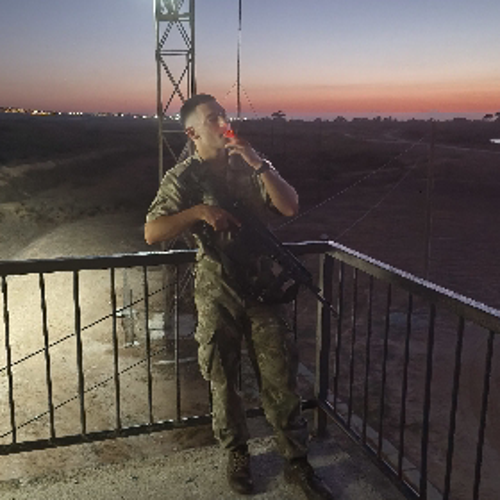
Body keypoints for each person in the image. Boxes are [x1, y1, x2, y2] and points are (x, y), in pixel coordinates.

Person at [144, 94, 334, 499]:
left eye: (224, 115)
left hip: (263, 288)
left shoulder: (249, 164)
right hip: (218, 290)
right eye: (213, 118)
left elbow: (289, 206)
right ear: (192, 133)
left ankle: (296, 460)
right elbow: (152, 232)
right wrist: (198, 212)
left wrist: (258, 162)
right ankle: (237, 455)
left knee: (280, 377)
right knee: (223, 379)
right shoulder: (183, 177)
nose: (223, 122)